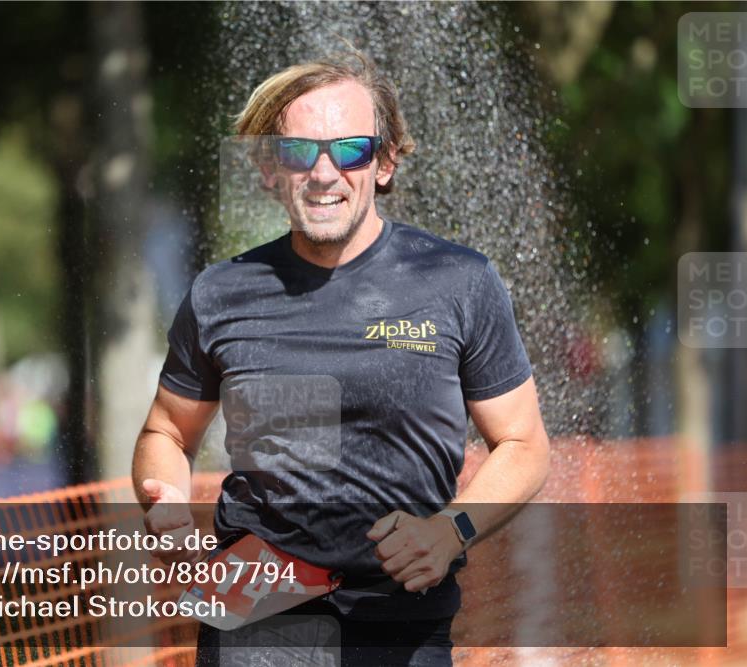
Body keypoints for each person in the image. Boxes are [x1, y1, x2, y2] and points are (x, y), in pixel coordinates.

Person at [132, 50, 550, 666]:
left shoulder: (459, 282)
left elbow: (524, 444)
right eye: (300, 152)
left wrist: (450, 530)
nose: (323, 172)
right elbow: (166, 429)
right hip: (255, 613)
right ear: (272, 170)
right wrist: (164, 499)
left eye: (350, 149)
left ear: (384, 163)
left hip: (400, 620)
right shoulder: (221, 293)